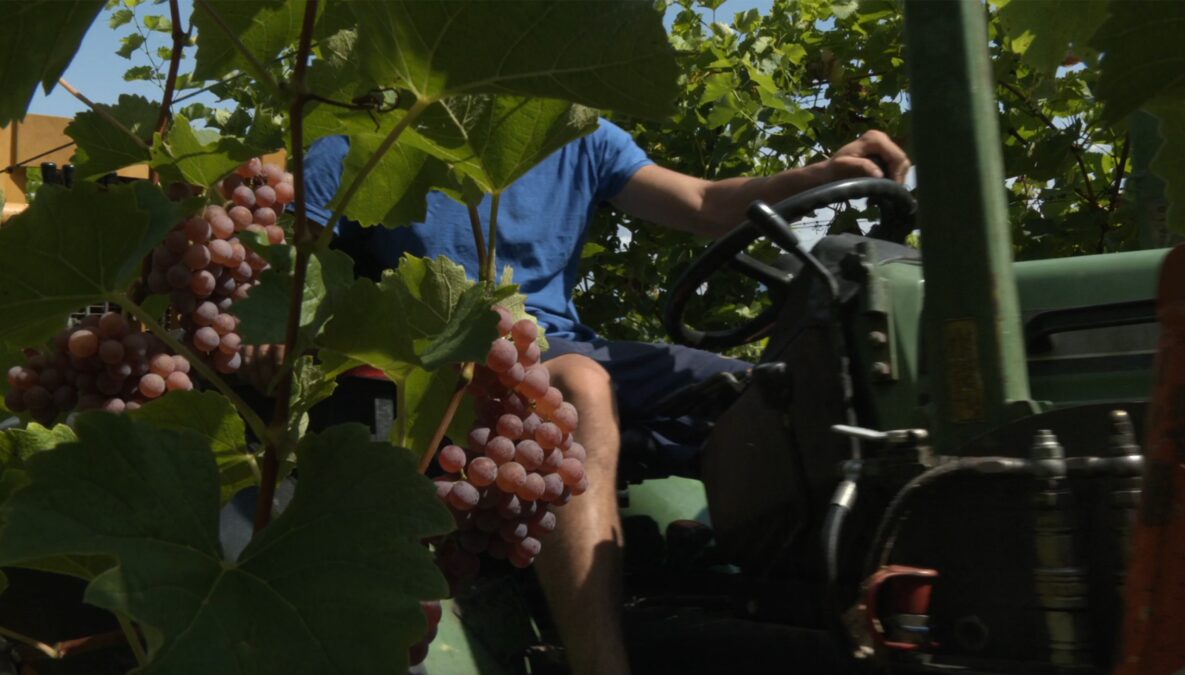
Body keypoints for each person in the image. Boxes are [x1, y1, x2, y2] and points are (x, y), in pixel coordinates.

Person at [292, 119, 910, 675]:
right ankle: (599, 663)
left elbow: (703, 203)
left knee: (782, 389)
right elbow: (291, 252)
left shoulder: (576, 134)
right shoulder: (375, 138)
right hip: (444, 356)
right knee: (581, 385)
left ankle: (847, 610)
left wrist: (823, 174)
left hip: (565, 346)